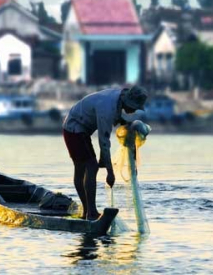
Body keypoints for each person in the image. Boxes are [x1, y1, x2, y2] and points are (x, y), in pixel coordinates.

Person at [62, 86, 148, 220]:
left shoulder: (120, 96)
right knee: (90, 166)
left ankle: (87, 212)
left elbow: (116, 117)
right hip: (74, 128)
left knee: (83, 168)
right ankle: (90, 212)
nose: (134, 110)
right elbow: (104, 142)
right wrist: (110, 172)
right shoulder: (107, 109)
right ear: (128, 102)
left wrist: (123, 122)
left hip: (77, 128)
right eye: (134, 107)